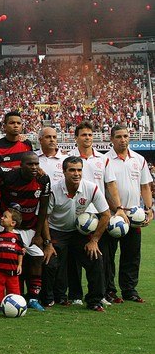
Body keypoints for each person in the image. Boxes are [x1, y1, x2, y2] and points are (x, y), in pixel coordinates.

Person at [68, 120, 127, 303]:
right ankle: (76, 295)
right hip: (76, 215)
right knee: (75, 258)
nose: (87, 138)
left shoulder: (103, 159)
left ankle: (103, 293)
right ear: (76, 137)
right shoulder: (68, 158)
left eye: (90, 135)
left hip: (100, 215)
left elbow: (110, 186)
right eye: (83, 134)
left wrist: (118, 208)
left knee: (104, 256)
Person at [43, 156, 111, 311]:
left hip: (78, 232)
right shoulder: (54, 190)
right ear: (64, 172)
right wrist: (47, 243)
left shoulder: (91, 188)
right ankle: (49, 298)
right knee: (50, 261)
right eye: (72, 170)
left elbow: (106, 214)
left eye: (79, 170)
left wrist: (94, 240)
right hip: (56, 232)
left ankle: (95, 300)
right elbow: (44, 218)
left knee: (95, 258)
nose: (76, 173)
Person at [103, 125, 153, 303]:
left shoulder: (138, 159)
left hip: (134, 216)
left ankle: (129, 290)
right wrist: (116, 209)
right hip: (112, 216)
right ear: (111, 139)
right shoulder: (104, 160)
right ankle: (109, 290)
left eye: (125, 136)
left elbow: (145, 186)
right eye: (118, 136)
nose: (122, 139)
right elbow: (104, 189)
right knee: (108, 255)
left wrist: (149, 208)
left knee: (132, 255)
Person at [0, 150, 51, 310]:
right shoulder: (10, 177)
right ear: (21, 166)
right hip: (10, 227)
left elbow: (43, 208)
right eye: (30, 164)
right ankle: (6, 297)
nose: (34, 167)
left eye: (36, 164)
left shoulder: (43, 178)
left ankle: (34, 297)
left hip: (30, 227)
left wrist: (38, 234)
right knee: (9, 261)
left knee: (38, 256)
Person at [0, 208, 25, 312]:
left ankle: (16, 306)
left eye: (5, 216)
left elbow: (20, 252)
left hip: (12, 271)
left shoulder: (17, 237)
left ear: (13, 223)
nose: (2, 218)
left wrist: (19, 265)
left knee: (14, 290)